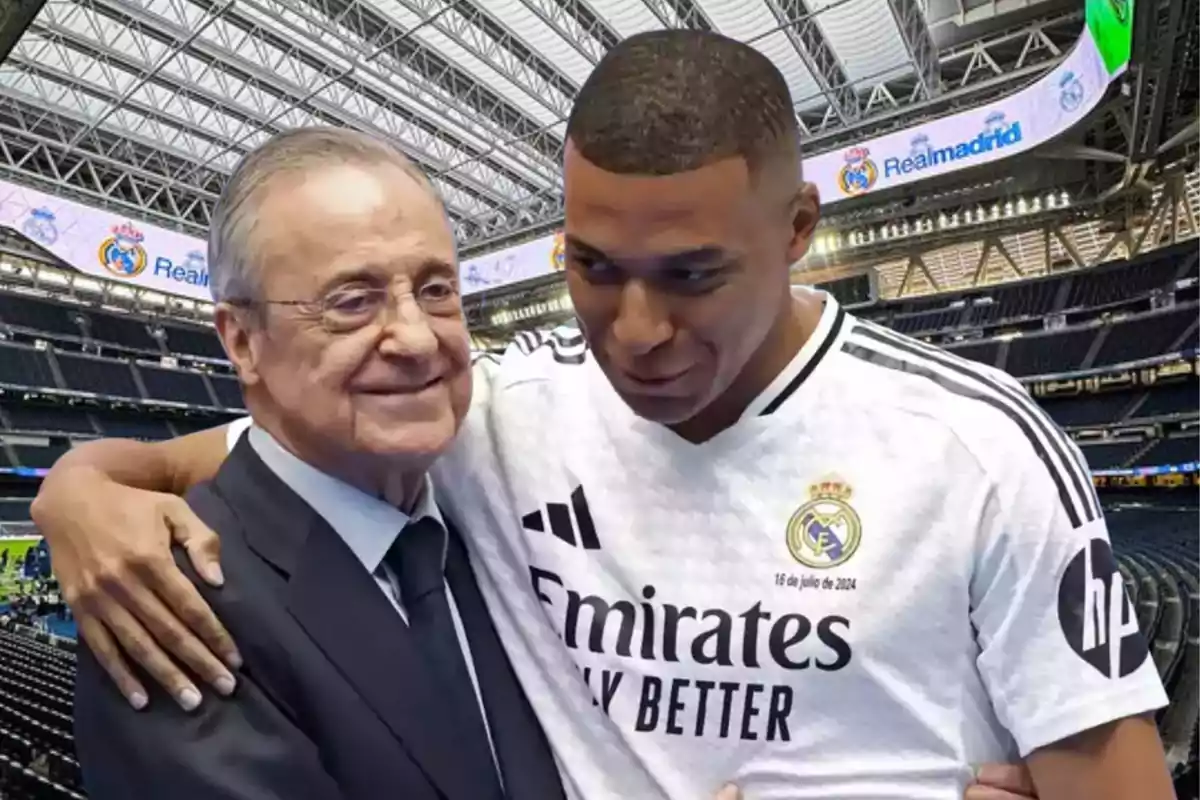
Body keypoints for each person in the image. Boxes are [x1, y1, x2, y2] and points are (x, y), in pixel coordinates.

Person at [33, 30, 1172, 800]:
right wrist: (80, 485)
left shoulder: (976, 446)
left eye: (690, 275)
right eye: (592, 266)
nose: (633, 331)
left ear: (796, 232)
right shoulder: (499, 413)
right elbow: (241, 449)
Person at [68, 128, 566, 800]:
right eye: (352, 301)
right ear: (243, 342)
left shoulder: (492, 516)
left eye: (437, 289)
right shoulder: (171, 604)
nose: (418, 338)